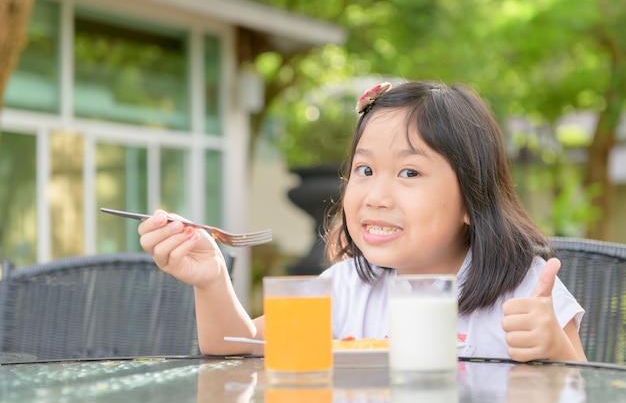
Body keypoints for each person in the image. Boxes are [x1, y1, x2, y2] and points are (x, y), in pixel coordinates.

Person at [138, 80, 587, 362]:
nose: (376, 195)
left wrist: (555, 349)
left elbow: (584, 394)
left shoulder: (524, 291)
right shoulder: (350, 286)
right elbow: (237, 344)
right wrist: (212, 279)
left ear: (472, 198)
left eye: (409, 172)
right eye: (365, 170)